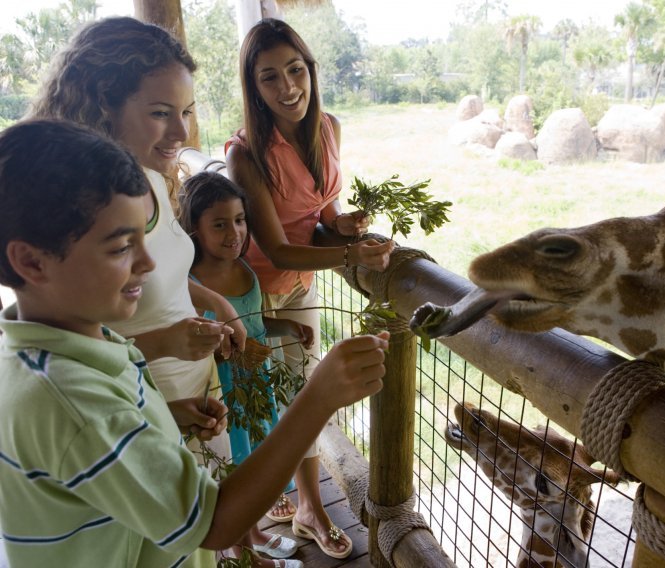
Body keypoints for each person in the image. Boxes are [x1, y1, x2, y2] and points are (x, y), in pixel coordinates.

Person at [0, 119, 387, 568]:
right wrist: (318, 397)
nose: (147, 263)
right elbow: (214, 522)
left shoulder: (58, 346)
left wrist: (164, 416)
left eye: (143, 239)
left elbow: (105, 431)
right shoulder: (75, 407)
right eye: (120, 247)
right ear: (31, 261)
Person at [26, 16, 291, 564]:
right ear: (102, 105)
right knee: (178, 530)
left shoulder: (145, 178)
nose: (182, 134)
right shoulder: (91, 211)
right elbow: (76, 352)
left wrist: (213, 302)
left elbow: (166, 272)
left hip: (178, 394)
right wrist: (167, 350)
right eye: (159, 113)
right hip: (138, 400)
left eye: (187, 112)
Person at [226, 18, 393, 559]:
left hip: (303, 281)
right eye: (270, 78)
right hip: (256, 291)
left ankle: (302, 506)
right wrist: (348, 254)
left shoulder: (329, 128)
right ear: (255, 88)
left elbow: (320, 212)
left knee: (301, 391)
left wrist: (340, 226)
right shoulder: (245, 154)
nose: (288, 87)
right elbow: (275, 248)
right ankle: (283, 513)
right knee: (269, 399)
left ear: (310, 70)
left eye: (295, 70)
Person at [179, 170, 315, 560]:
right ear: (194, 229)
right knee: (235, 468)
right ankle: (242, 554)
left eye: (239, 221)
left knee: (255, 462)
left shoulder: (244, 271)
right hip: (223, 393)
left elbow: (252, 324)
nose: (233, 232)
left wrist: (287, 325)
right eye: (219, 224)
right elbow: (196, 342)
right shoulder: (190, 282)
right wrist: (229, 351)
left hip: (256, 389)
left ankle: (252, 533)